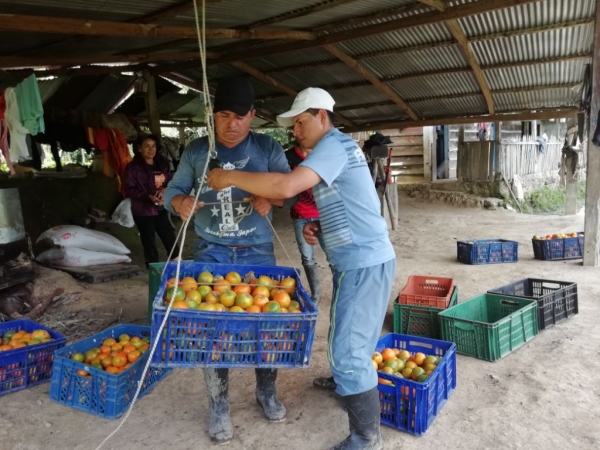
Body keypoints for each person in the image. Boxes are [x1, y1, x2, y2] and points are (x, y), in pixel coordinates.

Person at [207, 87, 396, 450]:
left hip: (363, 263)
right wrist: (323, 227)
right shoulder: (336, 149)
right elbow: (355, 202)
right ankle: (349, 382)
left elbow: (286, 185)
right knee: (350, 341)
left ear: (322, 116)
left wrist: (229, 177)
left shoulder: (333, 146)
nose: (296, 131)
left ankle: (365, 438)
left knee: (347, 354)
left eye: (300, 122)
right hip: (357, 260)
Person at [164, 76, 291, 445]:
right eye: (223, 115)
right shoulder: (197, 150)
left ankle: (266, 391)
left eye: (240, 116)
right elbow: (173, 190)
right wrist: (180, 203)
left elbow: (287, 189)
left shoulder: (268, 147)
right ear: (212, 115)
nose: (231, 123)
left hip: (258, 250)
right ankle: (218, 405)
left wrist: (272, 200)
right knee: (211, 332)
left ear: (253, 115)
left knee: (266, 326)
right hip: (210, 249)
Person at [123, 134, 179, 268]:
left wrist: (165, 191)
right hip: (143, 211)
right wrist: (147, 196)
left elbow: (171, 182)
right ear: (139, 149)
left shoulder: (162, 164)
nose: (151, 149)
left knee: (168, 236)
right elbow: (129, 189)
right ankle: (153, 269)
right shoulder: (133, 168)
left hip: (161, 207)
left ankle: (177, 263)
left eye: (153, 146)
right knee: (149, 240)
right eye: (147, 146)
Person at [284, 141, 328, 305]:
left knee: (333, 256)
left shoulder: (324, 154)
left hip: (324, 214)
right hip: (301, 214)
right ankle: (316, 294)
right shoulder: (288, 158)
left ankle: (339, 289)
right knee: (307, 257)